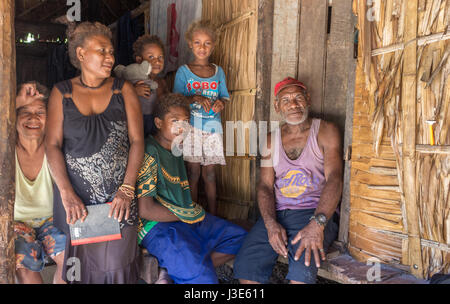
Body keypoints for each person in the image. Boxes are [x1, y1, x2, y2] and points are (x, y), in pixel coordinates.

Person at [45, 22, 144, 284]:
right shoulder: (61, 94)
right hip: (75, 200)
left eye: (111, 51)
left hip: (118, 199)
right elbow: (52, 145)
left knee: (116, 269)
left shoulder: (123, 90)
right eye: (102, 50)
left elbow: (137, 141)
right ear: (80, 54)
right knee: (76, 270)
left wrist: (127, 189)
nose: (110, 57)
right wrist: (67, 194)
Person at [234, 77, 342, 284]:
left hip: (314, 213)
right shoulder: (270, 139)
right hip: (279, 215)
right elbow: (265, 186)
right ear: (277, 106)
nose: (293, 105)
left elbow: (335, 179)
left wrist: (318, 224)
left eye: (298, 98)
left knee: (301, 275)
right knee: (246, 269)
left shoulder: (326, 131)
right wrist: (270, 224)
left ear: (307, 100)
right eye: (286, 100)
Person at [136, 93, 247, 284]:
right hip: (158, 228)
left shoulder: (177, 149)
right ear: (158, 122)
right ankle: (191, 269)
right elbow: (145, 210)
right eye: (175, 121)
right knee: (205, 279)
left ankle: (177, 270)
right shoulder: (150, 151)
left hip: (185, 220)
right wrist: (186, 214)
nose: (182, 127)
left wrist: (188, 215)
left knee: (239, 237)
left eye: (186, 121)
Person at [173, 20, 230, 216]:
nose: (202, 47)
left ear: (213, 45)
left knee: (211, 174)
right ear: (190, 44)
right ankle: (193, 214)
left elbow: (224, 96)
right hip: (192, 129)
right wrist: (195, 97)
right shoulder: (184, 71)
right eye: (197, 42)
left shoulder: (218, 71)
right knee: (194, 173)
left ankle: (213, 215)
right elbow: (177, 100)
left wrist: (221, 102)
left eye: (207, 43)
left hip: (213, 128)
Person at [14, 82, 66, 284]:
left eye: (40, 112)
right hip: (14, 224)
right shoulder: (5, 148)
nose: (33, 118)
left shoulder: (56, 147)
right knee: (26, 264)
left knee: (72, 260)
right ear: (13, 115)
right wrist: (16, 100)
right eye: (24, 111)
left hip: (51, 220)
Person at [132, 35, 169, 137]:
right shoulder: (135, 82)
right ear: (139, 60)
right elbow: (119, 97)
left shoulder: (162, 82)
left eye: (160, 57)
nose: (157, 61)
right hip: (138, 126)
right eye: (151, 57)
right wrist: (134, 91)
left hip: (157, 126)